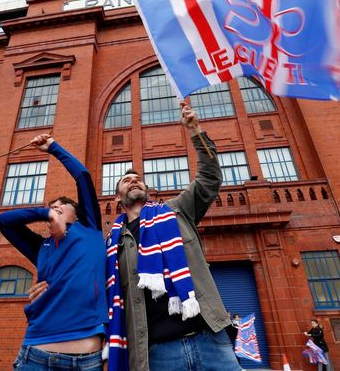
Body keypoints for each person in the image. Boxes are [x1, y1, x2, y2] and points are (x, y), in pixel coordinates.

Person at [104, 101, 243, 371]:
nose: (133, 180)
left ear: (147, 189)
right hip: (158, 352)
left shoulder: (176, 211)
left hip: (209, 339)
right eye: (126, 180)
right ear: (117, 197)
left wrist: (195, 130)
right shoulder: (113, 244)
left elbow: (209, 179)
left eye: (137, 178)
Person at [0, 134, 108, 371]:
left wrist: (54, 148)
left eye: (60, 208)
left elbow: (83, 176)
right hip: (35, 353)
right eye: (51, 209)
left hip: (85, 360)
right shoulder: (41, 247)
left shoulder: (89, 228)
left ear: (76, 215)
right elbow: (4, 221)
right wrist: (45, 213)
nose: (54, 211)